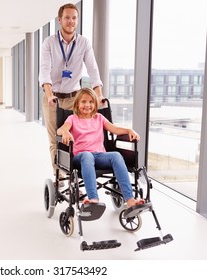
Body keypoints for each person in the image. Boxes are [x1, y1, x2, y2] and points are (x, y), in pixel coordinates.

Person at [39, 3, 104, 180]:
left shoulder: (83, 43)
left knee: (77, 137)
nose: (71, 21)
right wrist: (49, 93)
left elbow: (93, 69)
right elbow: (45, 70)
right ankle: (59, 175)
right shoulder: (49, 43)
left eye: (74, 18)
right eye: (67, 18)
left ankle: (77, 173)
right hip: (53, 98)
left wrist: (98, 94)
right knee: (56, 139)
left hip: (75, 98)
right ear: (60, 20)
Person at [56, 88, 145, 207]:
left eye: (91, 102)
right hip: (80, 157)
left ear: (95, 104)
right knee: (87, 155)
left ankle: (129, 200)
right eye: (83, 102)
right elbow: (60, 129)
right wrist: (65, 132)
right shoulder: (72, 118)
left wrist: (129, 130)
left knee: (116, 155)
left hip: (99, 156)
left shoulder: (99, 118)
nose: (87, 105)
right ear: (77, 103)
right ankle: (93, 199)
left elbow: (115, 129)